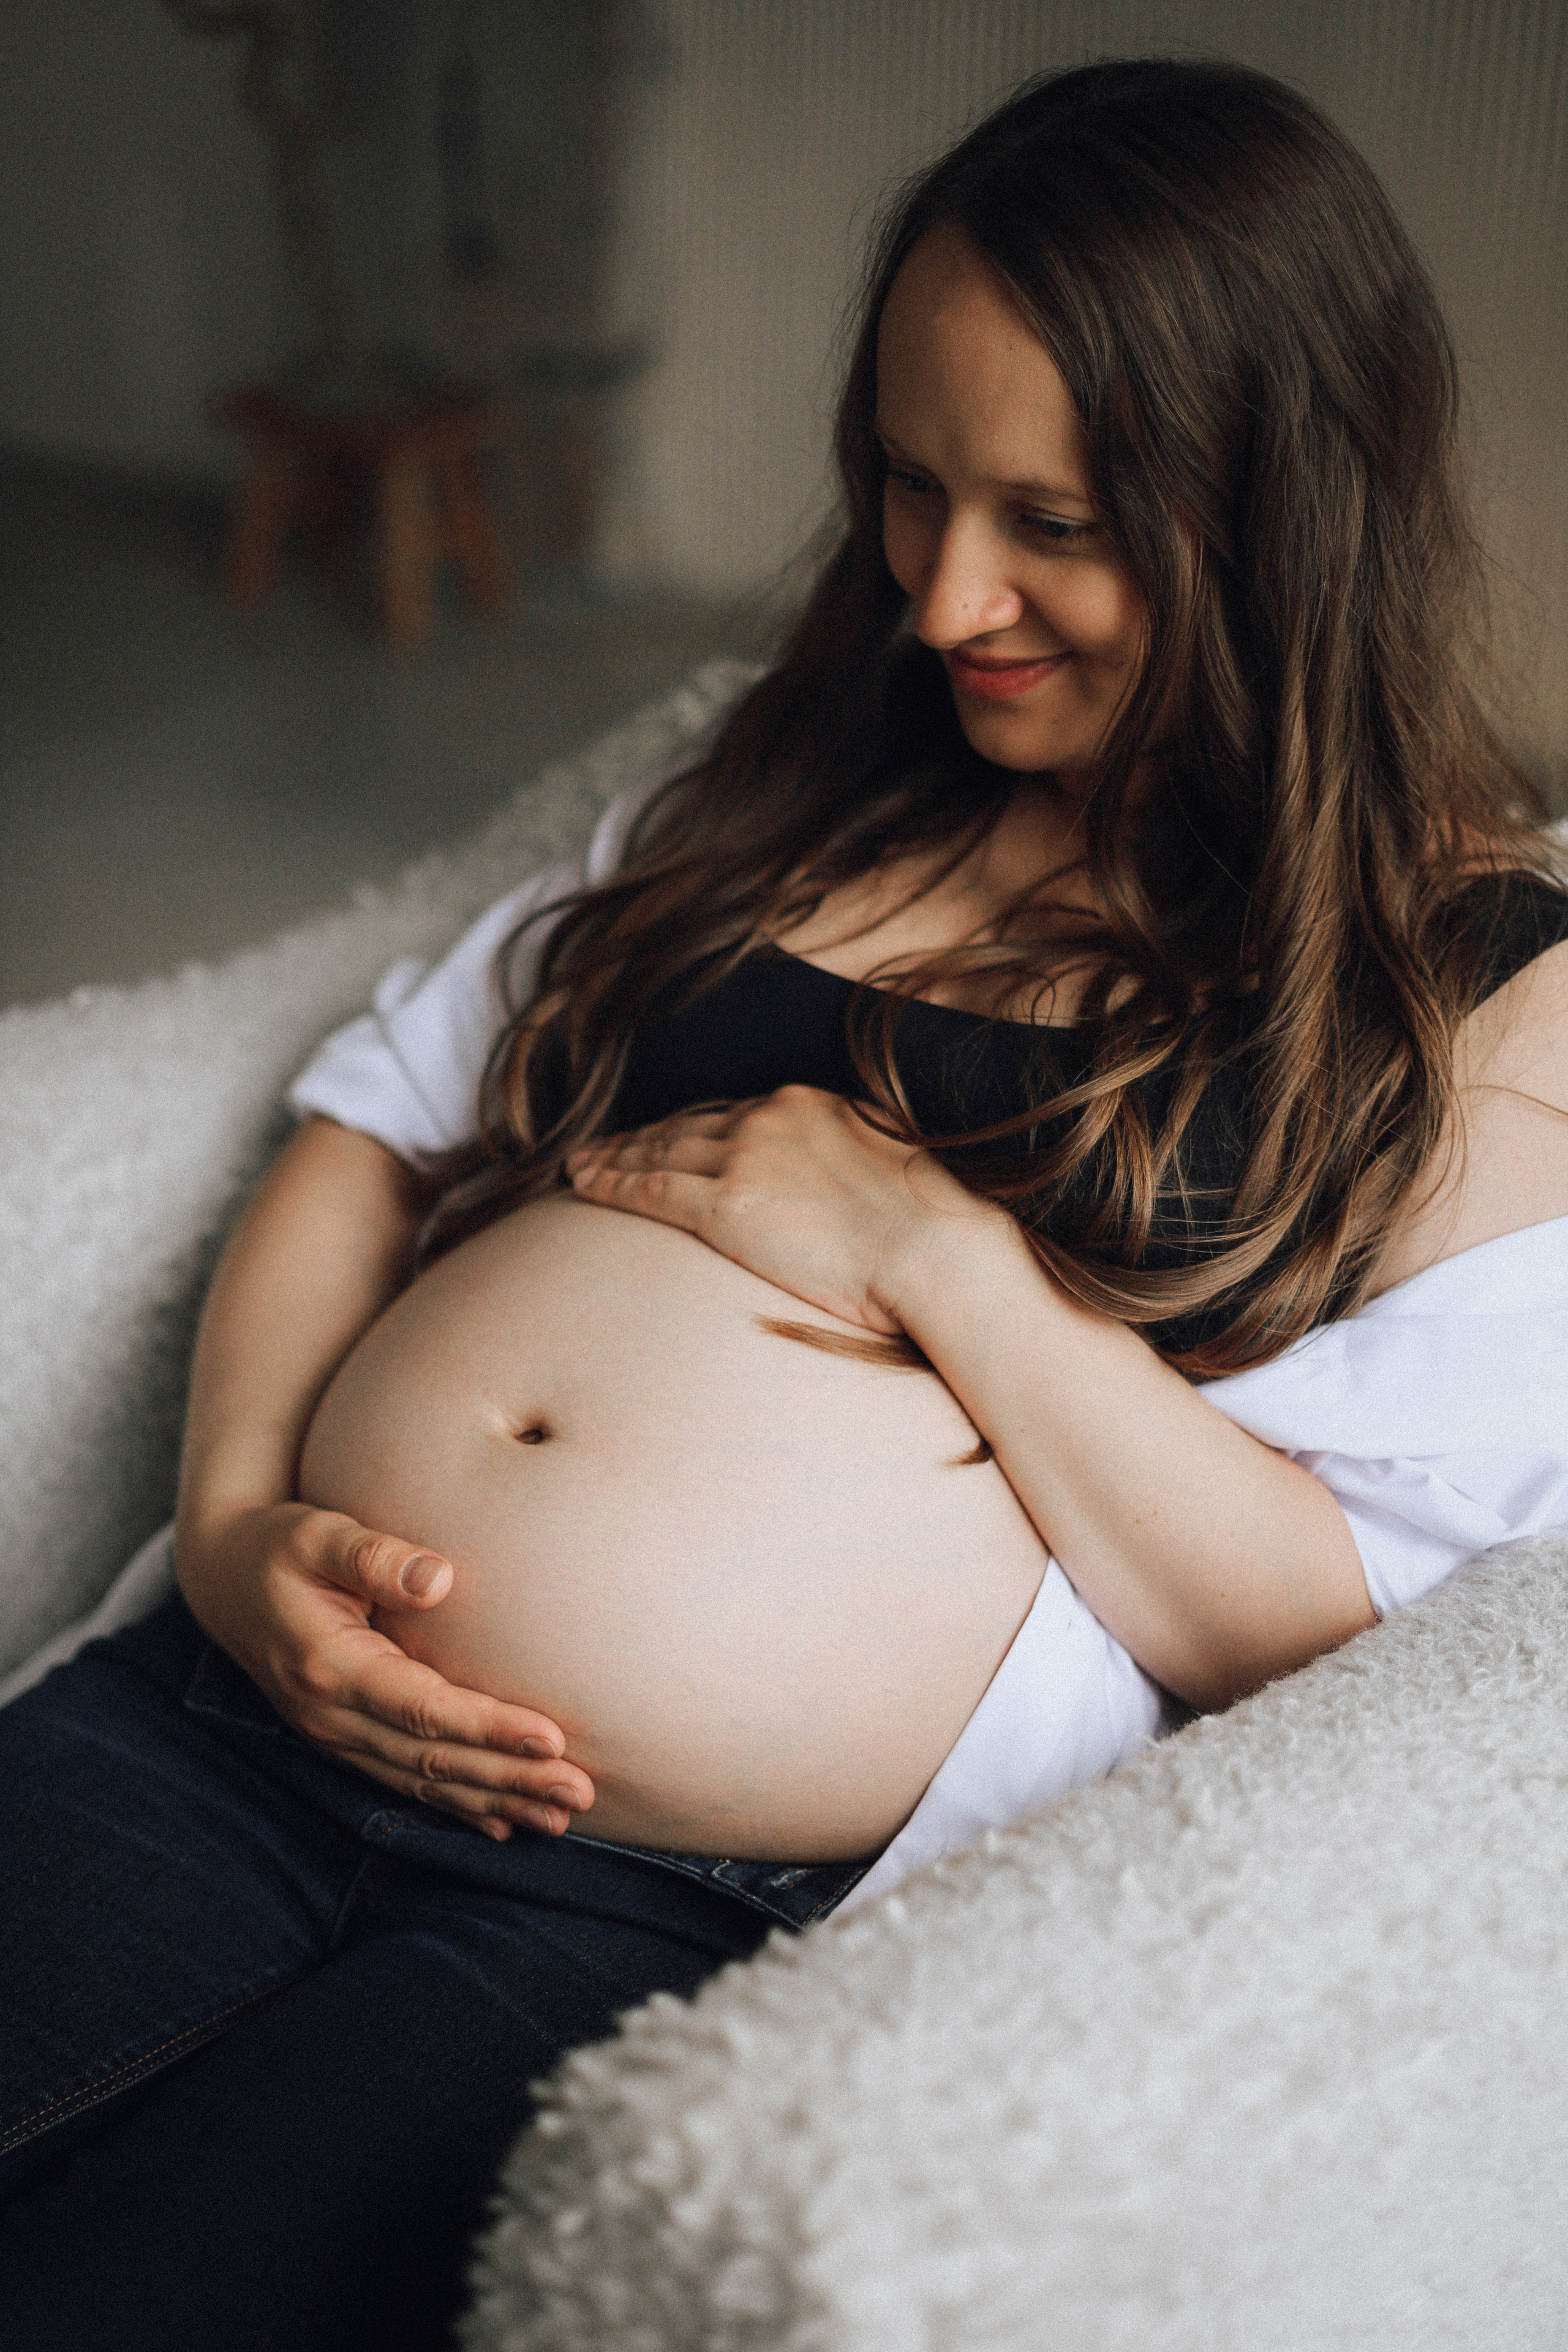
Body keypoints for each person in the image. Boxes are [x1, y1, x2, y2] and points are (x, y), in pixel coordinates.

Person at [3, 56, 1566, 2351]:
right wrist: (239, 1535)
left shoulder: (1474, 992)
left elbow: (1348, 1632)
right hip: (232, 1710)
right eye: (911, 490)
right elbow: (367, 1120)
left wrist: (928, 1250)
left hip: (645, 1909)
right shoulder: (802, 774)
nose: (947, 600)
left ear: (1287, 508)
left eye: (1052, 520)